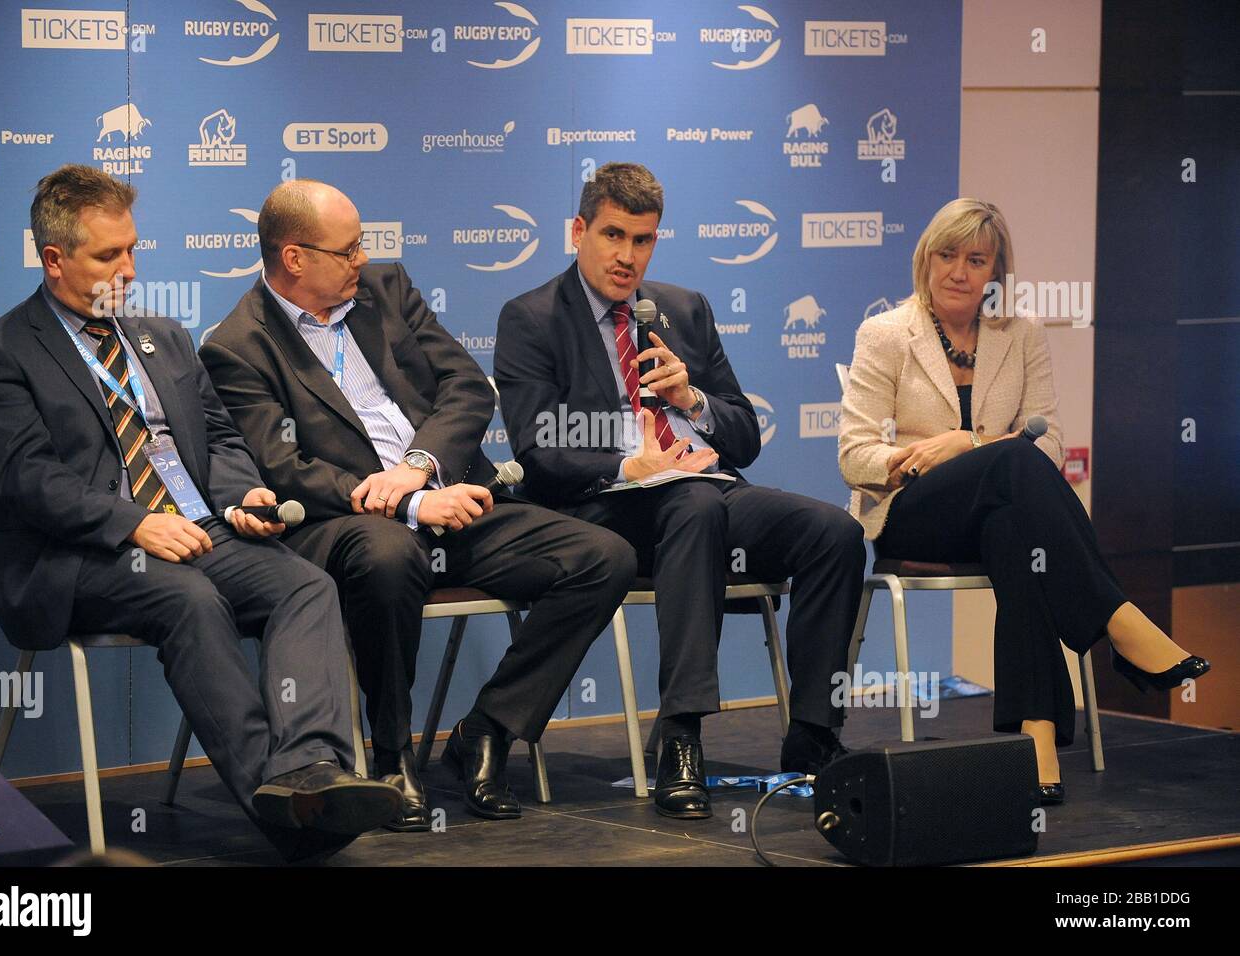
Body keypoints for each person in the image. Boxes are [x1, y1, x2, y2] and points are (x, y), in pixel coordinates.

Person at [0, 165, 403, 862]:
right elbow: (25, 479)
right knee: (188, 599)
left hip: (200, 528)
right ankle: (287, 809)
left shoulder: (162, 334)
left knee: (305, 583)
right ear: (53, 260)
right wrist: (134, 524)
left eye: (133, 249)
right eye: (109, 255)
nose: (129, 269)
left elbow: (218, 436)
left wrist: (239, 495)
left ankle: (312, 768)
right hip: (83, 555)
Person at [200, 180, 635, 828]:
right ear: (294, 258)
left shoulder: (384, 290)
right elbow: (282, 468)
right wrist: (403, 506)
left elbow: (464, 383)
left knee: (603, 556)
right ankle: (390, 754)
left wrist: (417, 468)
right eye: (346, 250)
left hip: (449, 490)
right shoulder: (237, 345)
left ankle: (486, 730)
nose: (361, 260)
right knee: (387, 554)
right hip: (347, 524)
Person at [494, 162, 865, 820]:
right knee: (691, 507)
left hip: (706, 488)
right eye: (612, 236)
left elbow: (745, 438)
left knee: (835, 532)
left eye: (642, 240)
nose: (626, 256)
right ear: (579, 230)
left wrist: (689, 397)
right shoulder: (532, 318)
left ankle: (812, 733)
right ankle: (683, 735)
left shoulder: (683, 309)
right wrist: (623, 466)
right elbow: (536, 451)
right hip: (606, 510)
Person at [838, 197, 1211, 804]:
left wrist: (970, 444)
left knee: (1018, 530)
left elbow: (1054, 443)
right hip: (913, 513)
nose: (959, 271)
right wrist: (925, 457)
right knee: (1015, 458)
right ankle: (1118, 620)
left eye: (976, 259)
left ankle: (1035, 738)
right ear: (926, 258)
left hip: (995, 514)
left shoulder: (1023, 334)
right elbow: (855, 455)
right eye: (947, 255)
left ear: (996, 273)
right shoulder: (886, 334)